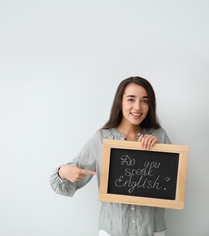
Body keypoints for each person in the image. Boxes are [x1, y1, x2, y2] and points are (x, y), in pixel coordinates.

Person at [50, 76, 171, 236]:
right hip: (113, 230)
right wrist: (63, 172)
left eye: (145, 101)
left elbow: (172, 183)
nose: (137, 107)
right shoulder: (102, 139)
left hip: (152, 230)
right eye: (131, 99)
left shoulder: (159, 136)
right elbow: (67, 182)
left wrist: (160, 151)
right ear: (120, 102)